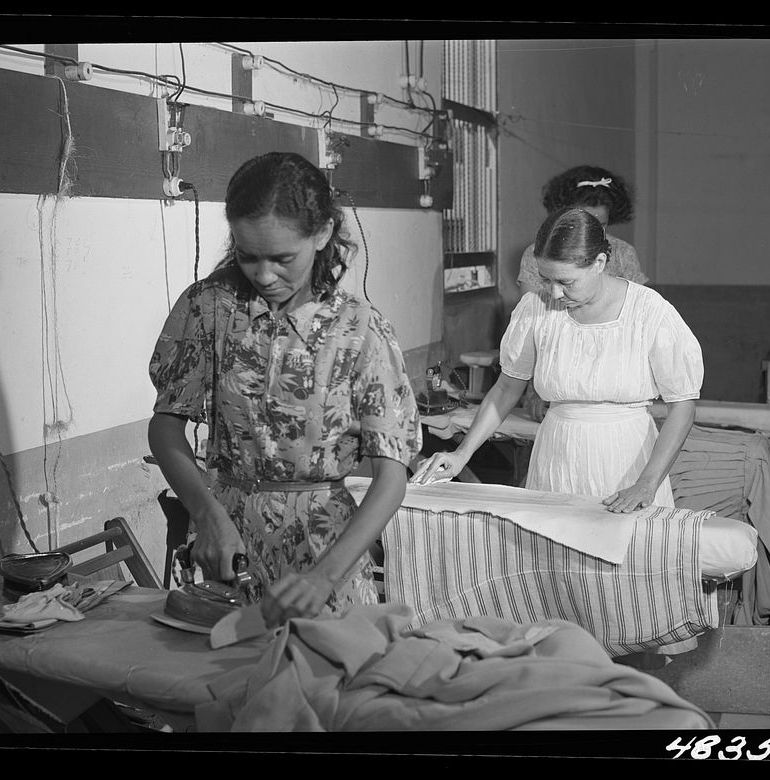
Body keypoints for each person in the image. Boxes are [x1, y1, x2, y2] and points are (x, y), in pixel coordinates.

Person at [149, 151, 421, 628]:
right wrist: (206, 513)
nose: (265, 274)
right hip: (226, 547)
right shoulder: (208, 308)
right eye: (248, 256)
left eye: (282, 258)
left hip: (325, 552)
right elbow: (166, 426)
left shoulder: (359, 330)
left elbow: (391, 478)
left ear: (321, 235)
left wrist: (324, 577)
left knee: (319, 691)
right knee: (218, 685)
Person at [412, 207, 702, 513]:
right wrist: (461, 454)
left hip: (626, 461)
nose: (554, 291)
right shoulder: (536, 308)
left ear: (599, 263)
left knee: (623, 552)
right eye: (546, 279)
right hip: (556, 455)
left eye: (566, 281)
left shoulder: (649, 312)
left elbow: (682, 406)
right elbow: (506, 388)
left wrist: (647, 483)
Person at [517, 165, 647, 296]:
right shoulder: (538, 253)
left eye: (602, 224)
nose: (593, 231)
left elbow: (636, 306)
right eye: (584, 224)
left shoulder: (623, 253)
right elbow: (529, 310)